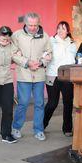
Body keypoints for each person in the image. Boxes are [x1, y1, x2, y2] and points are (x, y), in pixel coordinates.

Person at [11, 13, 52, 141]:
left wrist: (40, 62)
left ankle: (38, 129)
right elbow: (13, 54)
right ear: (25, 23)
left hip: (39, 75)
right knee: (23, 103)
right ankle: (16, 127)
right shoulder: (17, 35)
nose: (33, 28)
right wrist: (27, 62)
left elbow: (49, 53)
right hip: (24, 75)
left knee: (39, 103)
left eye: (35, 25)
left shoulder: (44, 36)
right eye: (30, 25)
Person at [43, 21, 77, 136]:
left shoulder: (73, 43)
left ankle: (67, 128)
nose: (61, 31)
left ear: (68, 31)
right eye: (59, 28)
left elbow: (76, 58)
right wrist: (45, 57)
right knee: (52, 103)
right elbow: (44, 54)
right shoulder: (51, 41)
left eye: (63, 28)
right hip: (53, 75)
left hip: (67, 76)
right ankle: (41, 125)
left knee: (68, 102)